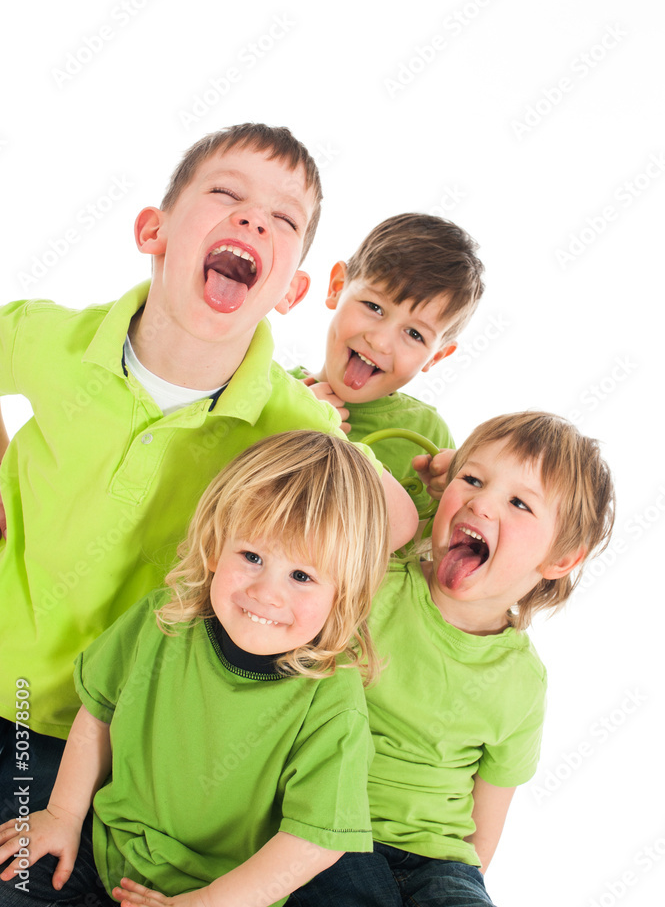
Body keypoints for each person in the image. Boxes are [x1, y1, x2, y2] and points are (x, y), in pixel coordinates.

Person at [0, 124, 417, 816]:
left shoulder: (291, 420)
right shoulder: (54, 339)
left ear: (290, 291)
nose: (253, 219)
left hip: (108, 731)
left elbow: (393, 521)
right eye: (226, 193)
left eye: (284, 218)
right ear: (154, 231)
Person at [0, 430, 391, 907]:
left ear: (345, 594)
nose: (266, 593)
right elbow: (98, 713)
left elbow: (314, 842)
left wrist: (203, 902)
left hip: (225, 892)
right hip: (106, 847)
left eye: (301, 576)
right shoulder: (163, 618)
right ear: (214, 546)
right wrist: (62, 815)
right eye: (252, 557)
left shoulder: (331, 699)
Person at [287, 411, 615, 907]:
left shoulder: (523, 681)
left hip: (441, 863)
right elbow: (346, 501)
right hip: (332, 832)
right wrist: (432, 496)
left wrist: (464, 881)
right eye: (473, 480)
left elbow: (485, 824)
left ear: (560, 560)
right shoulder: (375, 581)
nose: (480, 502)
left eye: (519, 502)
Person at [289, 213, 484, 514]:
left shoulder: (427, 436)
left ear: (436, 357)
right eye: (374, 307)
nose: (380, 342)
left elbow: (424, 540)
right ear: (337, 286)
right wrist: (283, 425)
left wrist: (452, 497)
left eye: (414, 334)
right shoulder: (267, 387)